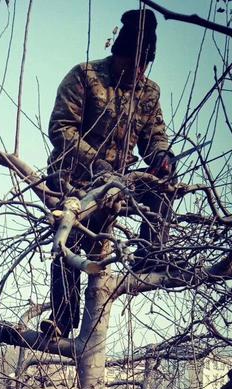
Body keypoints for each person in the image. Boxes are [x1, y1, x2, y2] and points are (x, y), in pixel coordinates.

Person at [43, 8, 176, 337]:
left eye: (144, 66)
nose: (138, 72)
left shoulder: (148, 92)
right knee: (70, 239)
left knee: (162, 185)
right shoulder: (85, 76)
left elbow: (154, 136)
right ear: (119, 54)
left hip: (120, 183)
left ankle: (151, 258)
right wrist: (95, 163)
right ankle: (62, 318)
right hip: (74, 178)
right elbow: (61, 130)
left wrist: (162, 157)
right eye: (133, 63)